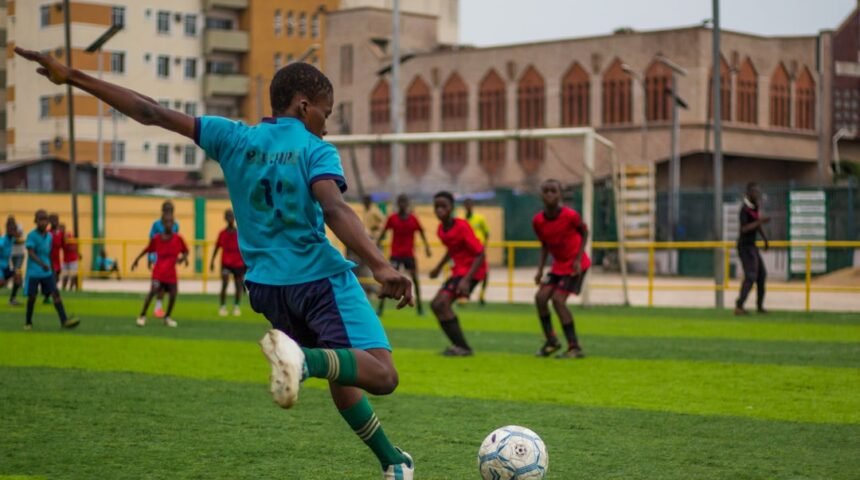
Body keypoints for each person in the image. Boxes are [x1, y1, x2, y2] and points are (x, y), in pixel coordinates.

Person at [16, 47, 415, 478]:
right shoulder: (316, 150)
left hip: (265, 288)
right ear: (304, 106)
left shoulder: (233, 137)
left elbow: (149, 111)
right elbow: (334, 207)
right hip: (318, 278)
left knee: (345, 371)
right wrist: (379, 263)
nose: (326, 122)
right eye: (326, 112)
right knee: (382, 373)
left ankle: (393, 462)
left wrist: (71, 75)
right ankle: (305, 362)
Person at [532, 179, 591, 359]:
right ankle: (551, 341)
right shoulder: (538, 221)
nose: (550, 194)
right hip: (558, 266)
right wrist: (540, 270)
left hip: (575, 264)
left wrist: (579, 259)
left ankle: (574, 347)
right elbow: (544, 244)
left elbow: (584, 232)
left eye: (553, 191)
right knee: (540, 298)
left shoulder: (570, 216)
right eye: (546, 191)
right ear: (541, 195)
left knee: (558, 300)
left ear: (560, 195)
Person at [428, 191, 486, 357]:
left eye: (443, 206)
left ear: (452, 208)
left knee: (443, 303)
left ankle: (463, 347)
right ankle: (458, 346)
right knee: (435, 305)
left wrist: (467, 281)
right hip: (459, 271)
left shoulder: (462, 226)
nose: (439, 210)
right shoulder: (441, 230)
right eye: (436, 207)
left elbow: (480, 253)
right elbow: (452, 250)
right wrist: (438, 268)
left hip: (472, 271)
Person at [24, 209, 80, 330]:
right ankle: (28, 322)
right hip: (34, 272)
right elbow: (31, 253)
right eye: (40, 219)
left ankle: (64, 321)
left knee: (56, 294)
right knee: (32, 297)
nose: (43, 222)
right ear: (36, 221)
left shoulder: (49, 236)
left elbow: (49, 253)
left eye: (45, 219)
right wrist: (42, 263)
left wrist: (52, 269)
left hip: (47, 271)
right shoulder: (31, 235)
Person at [375, 194, 431, 316]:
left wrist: (427, 247)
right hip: (395, 254)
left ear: (407, 204)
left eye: (404, 202)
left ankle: (420, 308)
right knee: (389, 280)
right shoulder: (392, 218)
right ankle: (380, 308)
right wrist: (376, 246)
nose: (402, 205)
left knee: (415, 280)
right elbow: (383, 232)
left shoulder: (413, 219)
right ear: (398, 204)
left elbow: (421, 232)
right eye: (400, 202)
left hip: (409, 255)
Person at [131, 213, 188, 327]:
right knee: (152, 293)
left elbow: (186, 250)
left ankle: (167, 317)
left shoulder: (178, 238)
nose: (169, 224)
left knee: (173, 295)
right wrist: (136, 260)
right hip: (159, 273)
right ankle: (142, 316)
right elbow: (147, 249)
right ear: (162, 224)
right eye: (166, 222)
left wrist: (183, 258)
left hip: (171, 274)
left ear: (173, 224)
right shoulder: (157, 239)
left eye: (171, 222)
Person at [735, 182, 770, 315]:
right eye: (755, 192)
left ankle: (760, 307)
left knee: (761, 275)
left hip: (753, 246)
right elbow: (744, 228)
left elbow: (756, 224)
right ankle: (739, 306)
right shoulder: (744, 209)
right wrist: (760, 222)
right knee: (750, 276)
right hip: (745, 247)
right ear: (749, 193)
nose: (757, 194)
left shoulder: (754, 207)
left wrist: (765, 239)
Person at [210, 209, 245, 316]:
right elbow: (217, 247)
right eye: (228, 216)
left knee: (238, 285)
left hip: (238, 263)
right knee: (224, 283)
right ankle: (223, 306)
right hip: (226, 262)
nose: (230, 218)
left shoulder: (239, 233)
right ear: (225, 218)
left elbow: (244, 248)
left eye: (231, 216)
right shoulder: (222, 233)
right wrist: (212, 261)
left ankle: (236, 306)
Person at [149, 201, 179, 318]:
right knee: (159, 285)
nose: (168, 213)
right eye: (166, 210)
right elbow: (152, 241)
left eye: (170, 210)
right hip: (159, 258)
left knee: (169, 286)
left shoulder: (175, 225)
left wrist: (177, 257)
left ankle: (160, 308)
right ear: (162, 211)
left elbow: (176, 241)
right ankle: (158, 307)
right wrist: (150, 257)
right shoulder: (156, 225)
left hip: (170, 259)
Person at [462, 198, 490, 305]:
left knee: (485, 274)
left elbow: (487, 233)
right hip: (467, 251)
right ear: (464, 206)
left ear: (473, 205)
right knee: (467, 273)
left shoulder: (479, 218)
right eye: (466, 204)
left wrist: (484, 246)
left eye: (470, 204)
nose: (468, 206)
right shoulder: (462, 220)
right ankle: (465, 294)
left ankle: (482, 295)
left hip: (479, 250)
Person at [1, 217, 23, 305]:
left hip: (5, 266)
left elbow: (19, 239)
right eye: (10, 229)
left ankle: (12, 299)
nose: (12, 231)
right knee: (2, 283)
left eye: (14, 229)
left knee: (18, 277)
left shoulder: (12, 239)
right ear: (7, 229)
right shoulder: (2, 241)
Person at [45, 213, 64, 304]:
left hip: (57, 259)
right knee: (52, 278)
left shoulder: (60, 233)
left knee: (56, 278)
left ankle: (48, 294)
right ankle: (52, 296)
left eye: (56, 220)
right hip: (49, 259)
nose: (55, 222)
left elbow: (63, 244)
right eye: (52, 221)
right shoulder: (48, 233)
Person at [59, 223, 81, 291]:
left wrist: (78, 253)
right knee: (65, 276)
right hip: (66, 259)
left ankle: (71, 289)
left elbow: (73, 245)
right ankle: (64, 288)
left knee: (73, 275)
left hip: (73, 259)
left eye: (62, 229)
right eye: (60, 229)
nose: (61, 230)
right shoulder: (59, 236)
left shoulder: (68, 235)